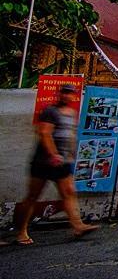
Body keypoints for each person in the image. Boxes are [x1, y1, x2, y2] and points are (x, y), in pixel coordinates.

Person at [16, 84, 99, 245]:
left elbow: (70, 135)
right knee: (32, 196)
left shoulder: (72, 113)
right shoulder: (50, 112)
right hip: (44, 161)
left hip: (63, 161)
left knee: (68, 193)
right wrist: (53, 154)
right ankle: (21, 231)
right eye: (65, 93)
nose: (67, 96)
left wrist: (72, 154)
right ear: (59, 94)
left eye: (70, 94)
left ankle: (77, 225)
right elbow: (44, 133)